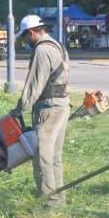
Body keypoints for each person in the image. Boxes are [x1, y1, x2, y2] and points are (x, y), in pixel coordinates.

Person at [9, 14, 70, 207]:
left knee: (42, 156)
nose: (25, 40)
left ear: (32, 32)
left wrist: (19, 109)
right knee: (54, 157)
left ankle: (49, 203)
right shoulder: (55, 44)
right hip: (61, 104)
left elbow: (34, 85)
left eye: (25, 36)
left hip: (49, 108)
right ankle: (59, 199)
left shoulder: (42, 50)